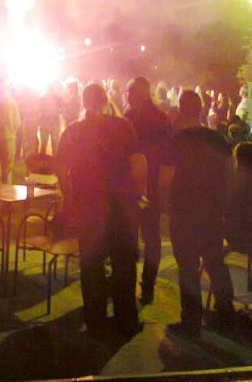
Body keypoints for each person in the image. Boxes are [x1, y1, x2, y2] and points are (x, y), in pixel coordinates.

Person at [55, 82, 148, 339]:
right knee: (124, 264)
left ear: (84, 102)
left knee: (91, 264)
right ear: (106, 100)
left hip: (89, 207)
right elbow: (137, 162)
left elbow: (60, 168)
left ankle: (95, 320)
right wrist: (140, 192)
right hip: (122, 207)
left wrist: (69, 199)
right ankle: (126, 321)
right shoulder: (123, 126)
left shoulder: (72, 131)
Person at [160, 90, 235, 338]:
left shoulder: (176, 140)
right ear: (201, 109)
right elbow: (229, 174)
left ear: (181, 110)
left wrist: (165, 206)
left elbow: (166, 177)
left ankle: (191, 321)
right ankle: (226, 314)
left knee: (188, 267)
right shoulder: (217, 139)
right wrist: (223, 206)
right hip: (211, 211)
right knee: (215, 262)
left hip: (184, 211)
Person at [124, 76, 172, 305]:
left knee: (130, 234)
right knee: (151, 237)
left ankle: (126, 283)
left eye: (129, 92)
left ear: (138, 94)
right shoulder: (162, 118)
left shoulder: (129, 118)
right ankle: (148, 286)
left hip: (134, 189)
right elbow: (168, 159)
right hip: (151, 189)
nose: (126, 96)